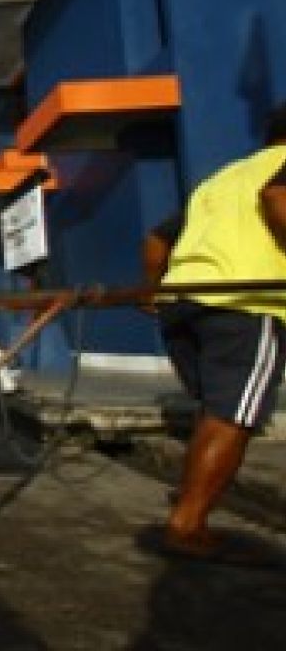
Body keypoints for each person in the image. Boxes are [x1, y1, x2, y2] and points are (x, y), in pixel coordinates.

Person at [142, 101, 286, 562]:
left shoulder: (223, 180)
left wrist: (154, 291)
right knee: (234, 416)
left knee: (218, 411)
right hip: (244, 302)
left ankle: (190, 509)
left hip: (185, 303)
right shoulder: (275, 170)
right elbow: (277, 198)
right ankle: (187, 524)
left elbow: (157, 238)